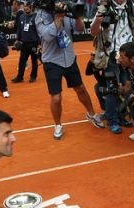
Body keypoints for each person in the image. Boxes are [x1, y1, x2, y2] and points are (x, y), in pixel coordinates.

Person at [35, 0, 103, 140]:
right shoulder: (41, 16)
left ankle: (91, 113)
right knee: (56, 96)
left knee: (81, 88)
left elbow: (79, 29)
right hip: (52, 61)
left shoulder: (67, 11)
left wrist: (77, 16)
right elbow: (47, 36)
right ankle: (58, 125)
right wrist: (59, 17)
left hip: (69, 58)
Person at [90, 0, 134, 134]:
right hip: (111, 55)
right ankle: (112, 121)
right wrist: (98, 21)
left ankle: (121, 115)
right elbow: (93, 32)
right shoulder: (104, 7)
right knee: (113, 90)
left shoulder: (131, 5)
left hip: (129, 55)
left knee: (128, 88)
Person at [11, 0, 40, 83]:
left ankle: (33, 76)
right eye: (25, 6)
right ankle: (20, 77)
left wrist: (39, 44)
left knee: (34, 61)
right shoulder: (21, 17)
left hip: (34, 43)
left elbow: (39, 31)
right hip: (24, 43)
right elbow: (19, 30)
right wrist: (17, 40)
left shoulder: (36, 17)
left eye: (28, 6)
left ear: (31, 7)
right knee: (22, 61)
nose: (26, 8)